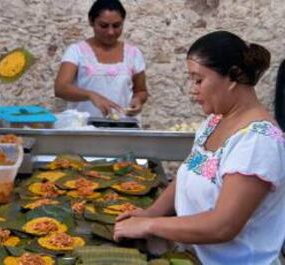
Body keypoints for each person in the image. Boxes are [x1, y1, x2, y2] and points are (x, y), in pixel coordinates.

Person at [114, 31, 285, 265]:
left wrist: (150, 225)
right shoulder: (215, 122)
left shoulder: (258, 141)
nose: (192, 89)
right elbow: (189, 171)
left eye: (198, 80)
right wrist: (151, 212)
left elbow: (223, 226)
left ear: (232, 77)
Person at [54, 0, 148, 118]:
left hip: (124, 128)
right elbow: (61, 88)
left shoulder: (133, 53)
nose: (110, 32)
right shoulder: (76, 51)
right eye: (103, 26)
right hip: (85, 129)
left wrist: (138, 100)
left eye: (117, 25)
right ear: (91, 21)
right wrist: (90, 95)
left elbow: (141, 91)